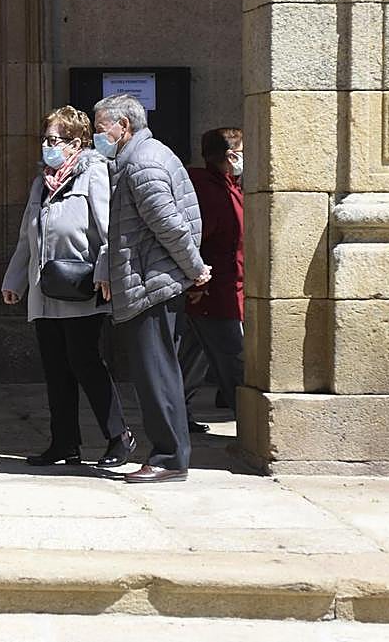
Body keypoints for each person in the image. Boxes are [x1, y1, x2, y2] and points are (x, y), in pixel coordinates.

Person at [1, 106, 135, 468]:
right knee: (55, 367)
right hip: (45, 289)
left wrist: (106, 271)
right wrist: (14, 280)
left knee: (85, 361)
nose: (47, 145)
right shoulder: (42, 181)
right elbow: (27, 236)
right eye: (45, 139)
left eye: (54, 139)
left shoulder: (93, 173)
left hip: (81, 285)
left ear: (77, 142)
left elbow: (108, 229)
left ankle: (118, 436)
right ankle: (64, 442)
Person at [94, 93, 211, 484]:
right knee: (160, 372)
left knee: (156, 374)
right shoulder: (146, 157)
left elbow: (170, 226)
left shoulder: (141, 164)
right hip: (152, 280)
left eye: (100, 129)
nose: (99, 137)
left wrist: (196, 270)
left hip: (150, 284)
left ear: (122, 127)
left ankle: (169, 457)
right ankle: (169, 453)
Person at [185, 127, 245, 415]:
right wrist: (198, 284)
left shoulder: (229, 186)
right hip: (215, 291)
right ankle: (247, 421)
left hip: (225, 288)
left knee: (195, 356)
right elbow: (197, 241)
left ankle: (178, 414)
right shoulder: (212, 193)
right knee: (233, 357)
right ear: (232, 156)